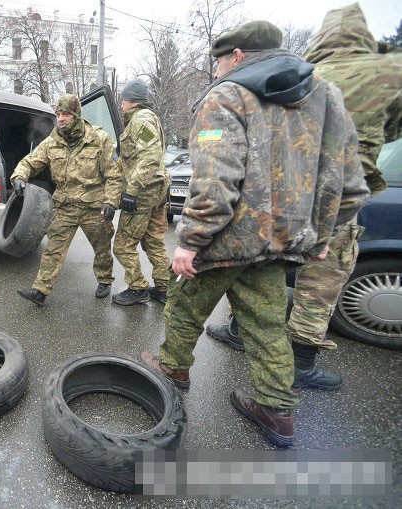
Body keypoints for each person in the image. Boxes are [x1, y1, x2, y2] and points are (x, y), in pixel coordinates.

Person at [138, 20, 369, 448]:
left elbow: (215, 178)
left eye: (220, 60)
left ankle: (172, 368)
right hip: (280, 240)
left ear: (238, 55)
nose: (217, 69)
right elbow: (349, 179)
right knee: (266, 325)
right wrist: (323, 236)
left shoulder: (226, 95)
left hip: (225, 240)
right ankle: (277, 410)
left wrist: (191, 240)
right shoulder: (327, 96)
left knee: (186, 304)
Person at [205, 4, 402, 391]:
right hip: (335, 197)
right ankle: (300, 365)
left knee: (260, 265)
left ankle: (240, 331)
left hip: (281, 194)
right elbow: (394, 129)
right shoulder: (390, 74)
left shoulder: (295, 75)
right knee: (320, 281)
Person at [12, 94, 120, 306]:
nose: (60, 118)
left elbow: (113, 175)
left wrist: (110, 202)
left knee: (102, 247)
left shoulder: (98, 139)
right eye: (58, 114)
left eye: (66, 114)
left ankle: (105, 279)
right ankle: (40, 290)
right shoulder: (52, 142)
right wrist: (19, 176)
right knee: (54, 248)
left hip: (94, 206)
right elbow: (30, 162)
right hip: (65, 206)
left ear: (76, 115)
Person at [111, 78, 172, 306]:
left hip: (144, 191)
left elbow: (150, 157)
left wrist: (132, 191)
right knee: (153, 241)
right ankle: (165, 288)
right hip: (156, 189)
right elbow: (133, 158)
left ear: (130, 100)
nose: (121, 105)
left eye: (123, 101)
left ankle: (138, 288)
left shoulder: (141, 120)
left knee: (123, 245)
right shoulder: (144, 119)